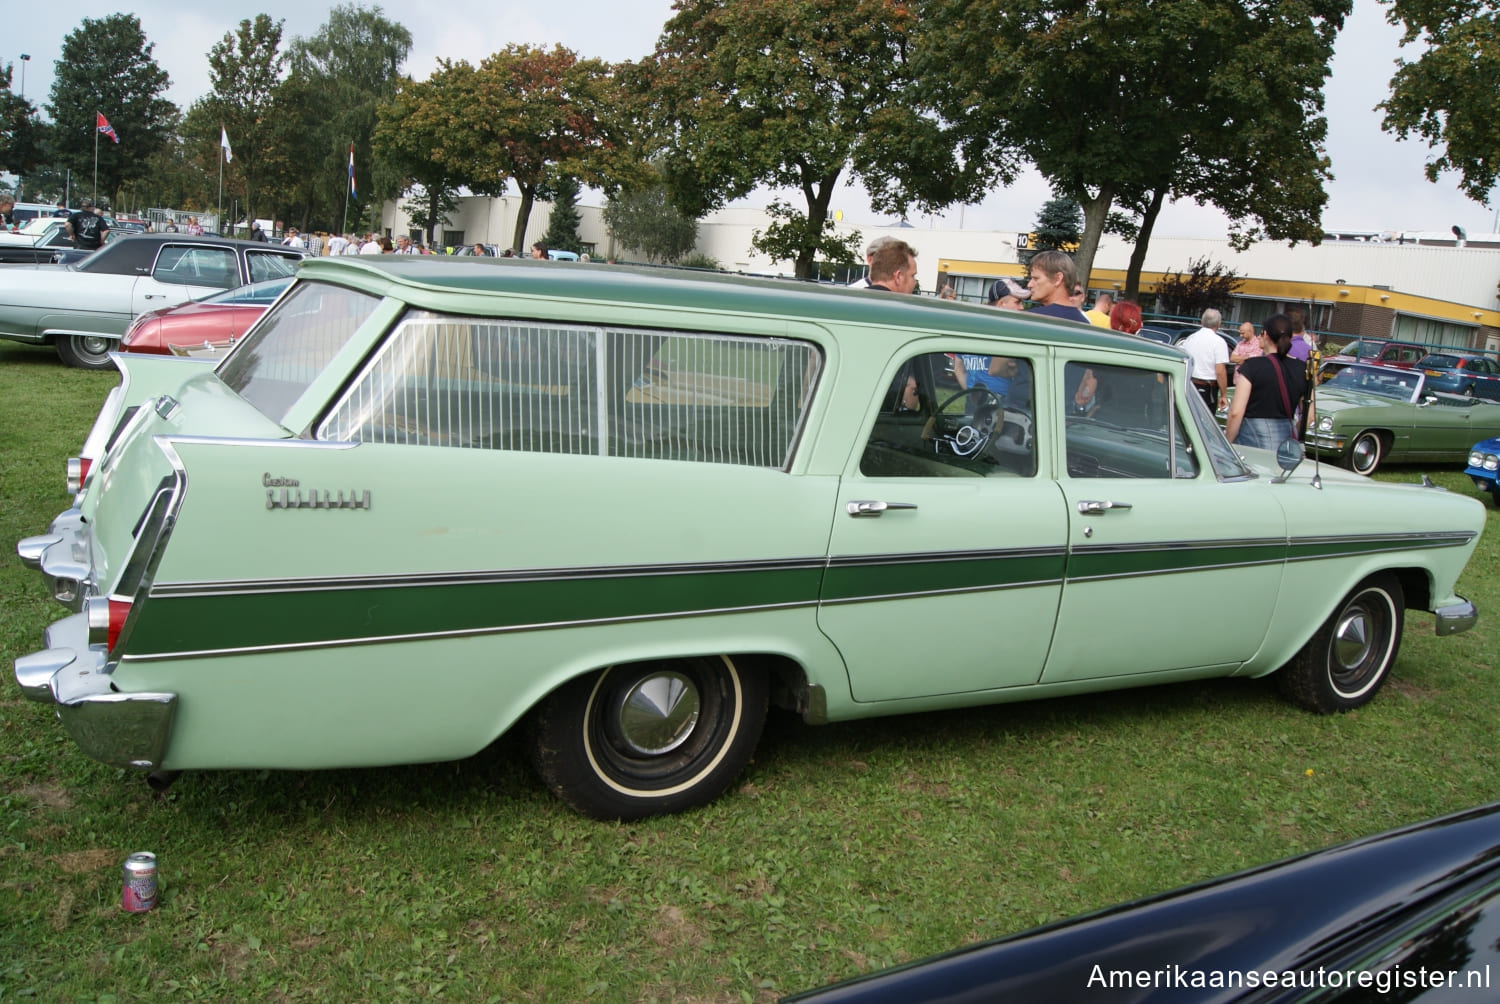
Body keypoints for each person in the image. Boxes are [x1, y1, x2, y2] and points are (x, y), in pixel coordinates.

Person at [1225, 313, 1308, 450]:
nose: (1258, 337)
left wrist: (1227, 444)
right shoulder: (1302, 368)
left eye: (1261, 333)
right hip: (1285, 442)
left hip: (1251, 439)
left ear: (1267, 335)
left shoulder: (1252, 366)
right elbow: (1309, 416)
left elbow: (1236, 412)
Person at [1181, 308, 1230, 411]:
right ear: (1219, 324)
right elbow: (1220, 371)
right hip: (1207, 388)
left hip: (1188, 384)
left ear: (1202, 321)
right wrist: (1223, 395)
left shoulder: (1190, 338)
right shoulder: (1219, 342)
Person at [1025, 251, 1089, 323]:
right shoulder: (1085, 324)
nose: (1029, 285)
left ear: (1058, 279)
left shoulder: (1032, 319)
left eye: (1036, 278)